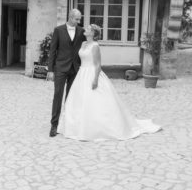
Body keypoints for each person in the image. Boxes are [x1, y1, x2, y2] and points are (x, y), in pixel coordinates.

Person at [63, 24, 162, 141]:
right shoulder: (83, 44)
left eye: (89, 29)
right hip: (81, 74)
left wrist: (95, 79)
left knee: (94, 100)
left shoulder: (95, 46)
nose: (86, 29)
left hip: (91, 73)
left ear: (93, 33)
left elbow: (98, 65)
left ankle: (97, 128)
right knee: (80, 100)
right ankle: (77, 126)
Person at [47, 8, 85, 138]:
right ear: (70, 17)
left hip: (75, 69)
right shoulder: (58, 30)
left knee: (71, 97)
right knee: (58, 95)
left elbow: (91, 40)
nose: (79, 21)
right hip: (60, 68)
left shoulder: (81, 31)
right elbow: (52, 51)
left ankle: (69, 125)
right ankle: (54, 125)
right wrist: (50, 70)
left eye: (80, 19)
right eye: (77, 19)